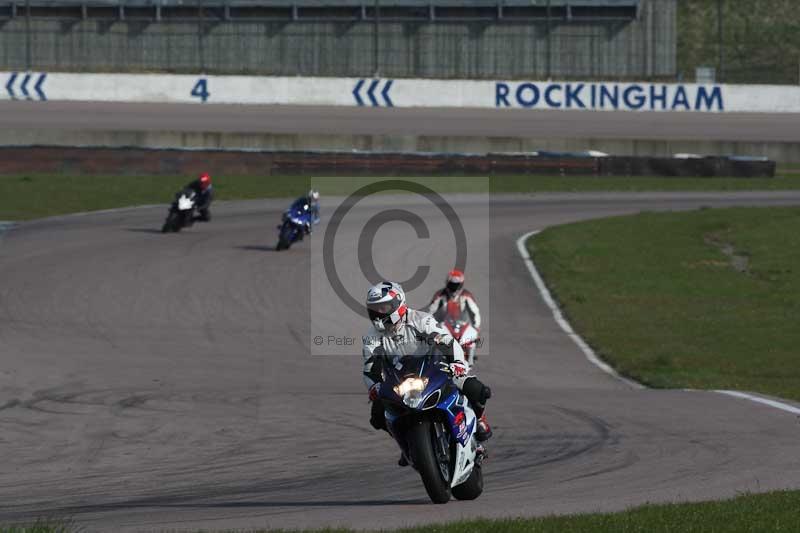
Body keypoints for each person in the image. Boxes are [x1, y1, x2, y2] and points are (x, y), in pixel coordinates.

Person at [362, 281, 492, 465]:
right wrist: (374, 386)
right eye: (375, 309)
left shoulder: (420, 320)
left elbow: (446, 341)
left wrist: (456, 363)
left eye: (384, 308)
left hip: (434, 367)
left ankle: (479, 420)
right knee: (378, 415)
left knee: (476, 389)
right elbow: (370, 368)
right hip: (400, 379)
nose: (379, 314)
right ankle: (408, 443)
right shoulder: (372, 337)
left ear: (398, 304)